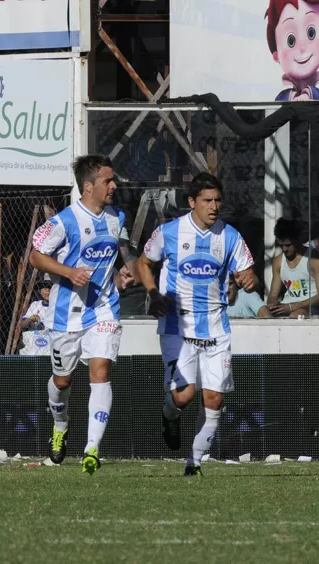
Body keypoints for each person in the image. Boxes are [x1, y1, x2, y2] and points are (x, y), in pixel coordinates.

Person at [135, 172, 258, 477]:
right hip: (179, 327)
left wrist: (250, 279)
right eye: (207, 200)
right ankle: (170, 416)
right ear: (192, 202)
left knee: (214, 398)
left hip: (216, 327)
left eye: (217, 200)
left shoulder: (229, 236)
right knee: (184, 395)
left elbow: (250, 276)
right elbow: (143, 262)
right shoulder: (170, 232)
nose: (214, 206)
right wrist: (153, 294)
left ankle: (195, 462)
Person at [29, 154, 125, 474]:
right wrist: (69, 272)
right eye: (107, 181)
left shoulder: (117, 218)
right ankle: (60, 424)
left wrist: (123, 275)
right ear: (88, 186)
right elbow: (35, 256)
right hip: (65, 315)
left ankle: (91, 449)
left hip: (103, 309)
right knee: (62, 380)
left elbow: (115, 258)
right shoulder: (64, 221)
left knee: (100, 370)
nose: (114, 185)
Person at [266, 218, 319, 318]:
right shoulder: (278, 261)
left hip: (310, 308)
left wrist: (293, 307)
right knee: (263, 312)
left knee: (295, 315)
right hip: (287, 306)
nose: (284, 249)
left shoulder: (314, 258)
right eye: (281, 245)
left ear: (297, 240)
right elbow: (273, 294)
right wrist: (272, 305)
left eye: (288, 245)